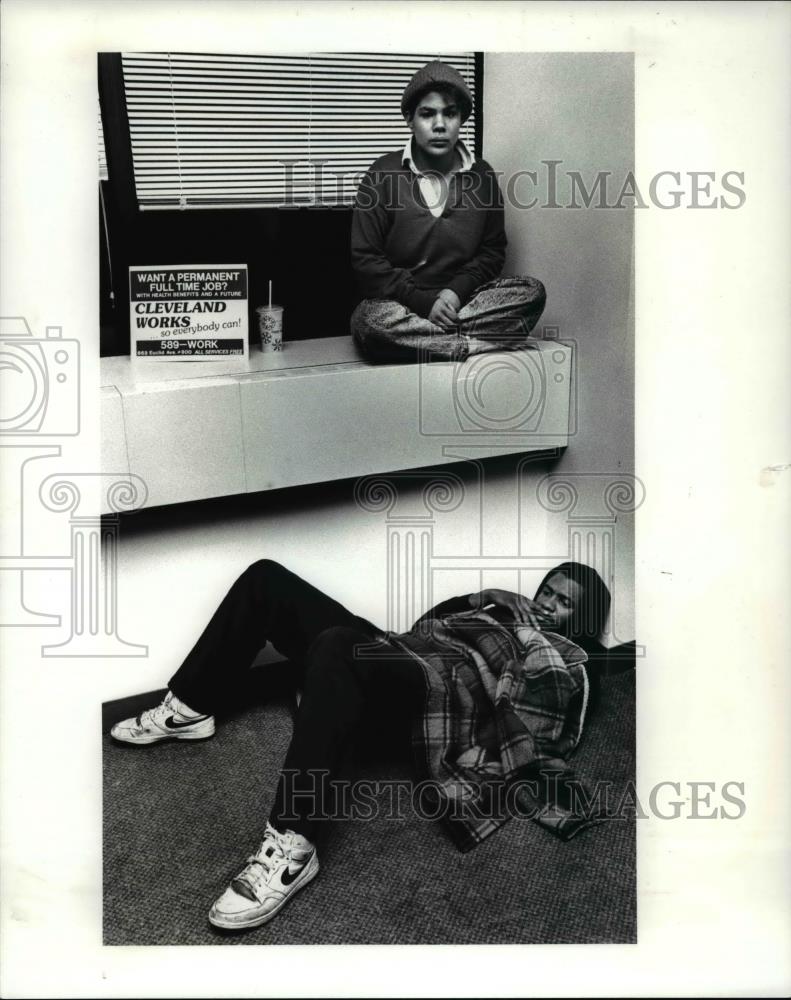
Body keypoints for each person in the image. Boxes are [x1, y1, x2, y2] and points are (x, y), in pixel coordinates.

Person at [110, 559, 620, 932]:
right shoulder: (503, 612)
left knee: (335, 646)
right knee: (267, 579)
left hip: (433, 699)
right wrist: (479, 598)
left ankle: (291, 845)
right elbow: (428, 625)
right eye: (546, 591)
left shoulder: (564, 658)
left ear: (582, 620)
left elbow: (537, 731)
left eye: (563, 601)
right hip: (404, 653)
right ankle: (191, 707)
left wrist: (527, 649)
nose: (547, 603)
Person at [350, 59, 547, 363]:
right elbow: (366, 260)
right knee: (369, 321)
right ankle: (468, 345)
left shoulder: (482, 175)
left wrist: (453, 294)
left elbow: (492, 252)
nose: (439, 124)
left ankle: (426, 342)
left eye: (450, 113)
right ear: (409, 119)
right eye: (428, 114)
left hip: (463, 305)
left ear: (461, 119)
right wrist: (423, 302)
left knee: (531, 292)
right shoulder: (381, 174)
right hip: (402, 306)